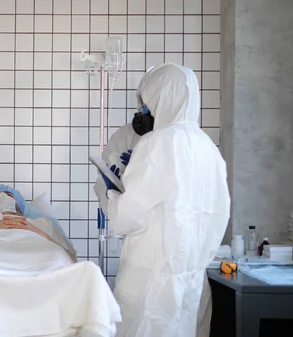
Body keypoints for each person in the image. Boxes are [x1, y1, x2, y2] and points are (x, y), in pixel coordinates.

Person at [103, 64, 230, 337]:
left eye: (147, 103)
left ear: (162, 97)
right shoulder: (209, 149)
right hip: (193, 284)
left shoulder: (157, 143)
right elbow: (216, 214)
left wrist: (112, 193)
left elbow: (127, 217)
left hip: (150, 283)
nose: (144, 111)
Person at [94, 67, 155, 213]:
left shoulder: (180, 142)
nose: (145, 106)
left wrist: (144, 170)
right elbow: (102, 184)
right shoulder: (126, 135)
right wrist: (115, 188)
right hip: (133, 224)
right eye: (143, 100)